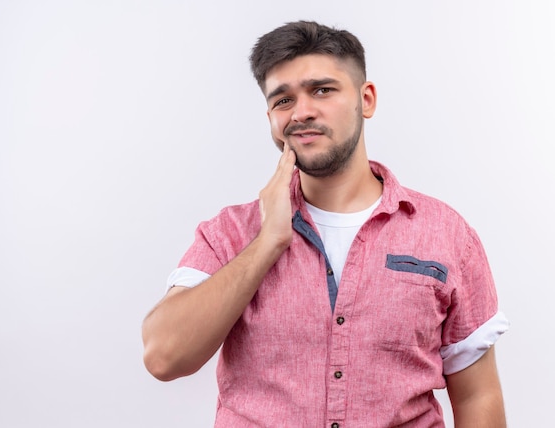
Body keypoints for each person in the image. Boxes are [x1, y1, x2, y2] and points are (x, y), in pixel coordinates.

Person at [142, 20, 509, 427]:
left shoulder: (446, 233)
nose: (301, 112)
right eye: (283, 100)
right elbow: (164, 356)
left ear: (365, 99)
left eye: (322, 90)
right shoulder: (229, 234)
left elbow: (478, 395)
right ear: (270, 118)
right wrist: (267, 243)